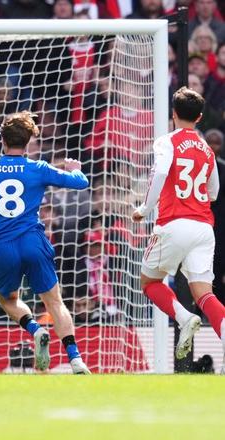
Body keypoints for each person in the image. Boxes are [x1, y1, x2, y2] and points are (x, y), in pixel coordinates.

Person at [0, 111, 91, 374]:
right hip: (33, 241)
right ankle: (76, 359)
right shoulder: (38, 168)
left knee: (6, 299)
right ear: (28, 142)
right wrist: (75, 169)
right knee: (54, 302)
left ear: (2, 140)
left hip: (2, 245)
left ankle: (35, 329)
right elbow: (81, 183)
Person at [132, 87, 224, 371]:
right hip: (203, 228)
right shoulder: (207, 149)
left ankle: (184, 318)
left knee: (149, 283)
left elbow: (160, 172)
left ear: (173, 113)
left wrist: (144, 209)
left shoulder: (167, 141)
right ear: (199, 117)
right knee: (204, 294)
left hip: (174, 223)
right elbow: (214, 192)